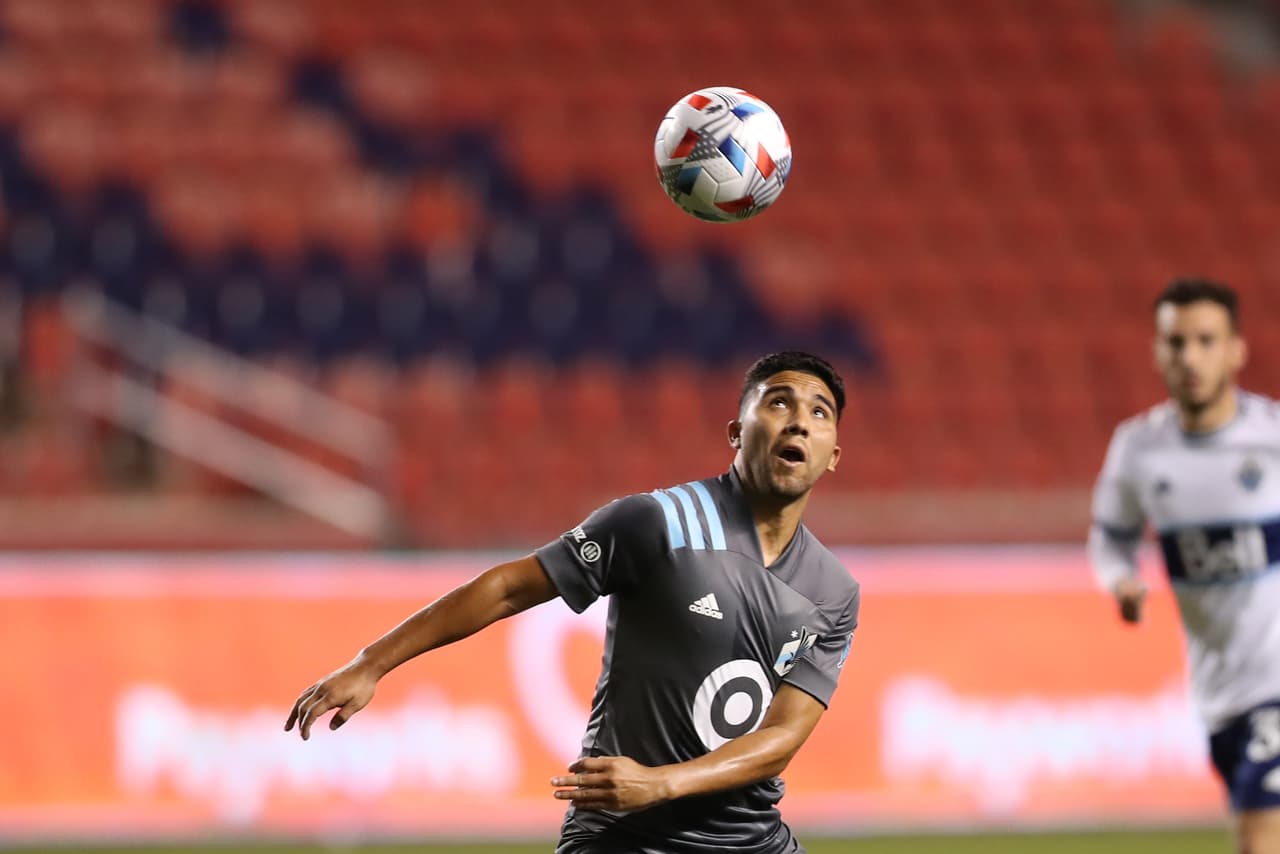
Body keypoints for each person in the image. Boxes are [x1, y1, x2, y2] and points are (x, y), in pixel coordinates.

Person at [286, 350, 860, 853]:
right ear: (737, 431)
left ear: (833, 454)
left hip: (749, 838)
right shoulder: (655, 523)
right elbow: (509, 587)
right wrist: (372, 662)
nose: (800, 423)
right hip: (624, 837)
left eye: (819, 413)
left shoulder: (833, 592)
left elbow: (781, 739)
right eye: (779, 402)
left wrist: (662, 782)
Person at [1089, 279, 1280, 854]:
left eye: (1205, 340)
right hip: (1219, 691)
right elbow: (1110, 538)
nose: (1190, 357)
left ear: (1236, 350)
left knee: (1258, 836)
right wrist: (1121, 581)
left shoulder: (1271, 437)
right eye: (1177, 342)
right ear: (1158, 352)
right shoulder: (1139, 449)